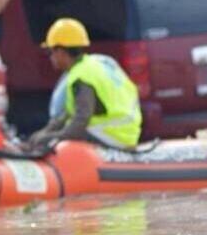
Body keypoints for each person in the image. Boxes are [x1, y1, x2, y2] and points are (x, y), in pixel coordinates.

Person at [28, 18, 142, 150]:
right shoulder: (91, 65)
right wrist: (41, 135)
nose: (50, 57)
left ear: (60, 52)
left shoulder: (82, 77)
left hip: (113, 135)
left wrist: (50, 139)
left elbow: (80, 122)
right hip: (126, 132)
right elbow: (66, 115)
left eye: (51, 51)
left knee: (63, 145)